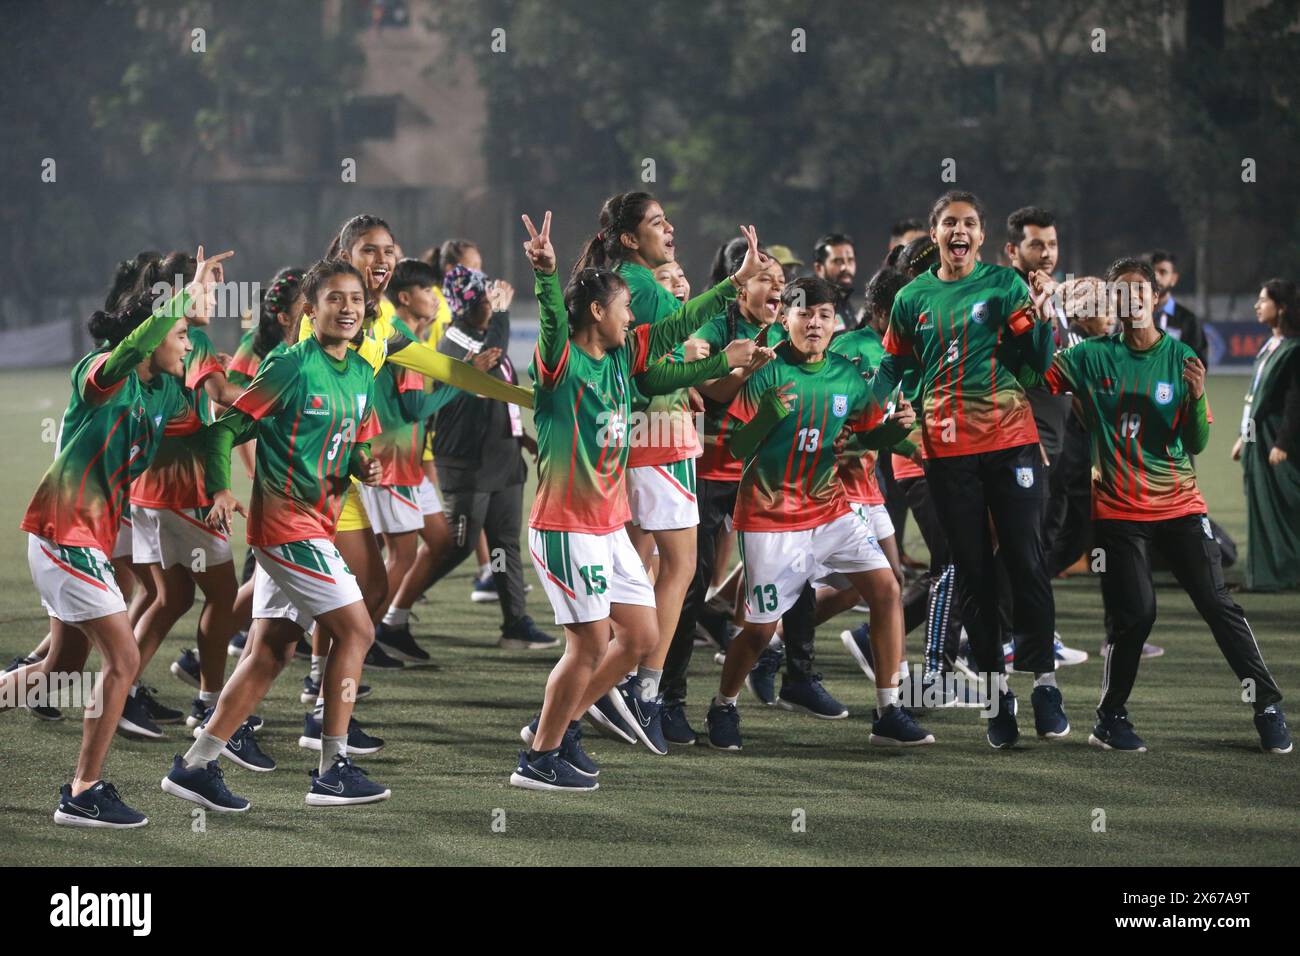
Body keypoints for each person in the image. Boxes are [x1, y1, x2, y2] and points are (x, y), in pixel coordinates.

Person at [510, 210, 765, 791]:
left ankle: (564, 723)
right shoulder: (558, 364)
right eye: (626, 307)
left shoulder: (623, 357)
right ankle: (539, 757)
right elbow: (553, 321)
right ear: (598, 312)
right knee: (589, 644)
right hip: (565, 527)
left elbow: (679, 326)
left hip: (607, 523)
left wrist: (732, 284)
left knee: (641, 637)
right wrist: (546, 275)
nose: (634, 315)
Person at [1022, 257, 1291, 754]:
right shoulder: (1090, 357)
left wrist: (1195, 397)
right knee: (1137, 615)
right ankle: (1110, 718)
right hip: (1119, 512)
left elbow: (1196, 440)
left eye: (1139, 291)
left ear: (1154, 298)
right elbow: (1033, 375)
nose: (1132, 301)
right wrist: (1042, 320)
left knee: (1217, 603)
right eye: (1120, 293)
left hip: (1180, 505)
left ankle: (1267, 705)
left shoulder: (1181, 357)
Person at [3, 246, 230, 827]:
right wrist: (185, 292)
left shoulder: (161, 395)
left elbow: (212, 429)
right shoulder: (101, 374)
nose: (187, 342)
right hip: (63, 534)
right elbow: (133, 346)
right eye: (178, 333)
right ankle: (82, 792)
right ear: (151, 334)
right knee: (123, 659)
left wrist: (276, 398)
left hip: (85, 544)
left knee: (59, 669)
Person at [163, 256, 394, 811]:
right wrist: (220, 490)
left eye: (356, 300)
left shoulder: (362, 371)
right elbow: (223, 430)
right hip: (286, 526)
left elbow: (357, 439)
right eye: (335, 299)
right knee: (358, 631)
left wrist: (363, 462)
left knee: (269, 652)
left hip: (317, 523)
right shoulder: (291, 366)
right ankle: (332, 766)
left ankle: (195, 765)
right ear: (310, 311)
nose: (348, 308)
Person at [872, 190, 1067, 749]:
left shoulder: (1005, 286)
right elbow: (894, 363)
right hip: (947, 454)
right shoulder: (913, 297)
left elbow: (1036, 365)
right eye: (951, 223)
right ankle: (997, 696)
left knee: (1028, 563)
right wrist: (869, 410)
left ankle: (1044, 685)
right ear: (934, 234)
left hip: (1011, 446)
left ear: (982, 238)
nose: (961, 231)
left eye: (971, 224)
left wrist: (1043, 316)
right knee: (974, 575)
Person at [705, 276, 932, 751]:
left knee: (887, 586)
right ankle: (723, 705)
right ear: (785, 319)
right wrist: (767, 415)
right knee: (760, 630)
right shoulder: (766, 372)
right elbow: (737, 448)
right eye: (804, 313)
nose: (814, 322)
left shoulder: (846, 376)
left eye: (824, 315)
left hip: (830, 509)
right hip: (770, 517)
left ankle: (888, 710)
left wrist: (895, 431)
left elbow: (868, 436)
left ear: (835, 323)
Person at [378, 260, 554, 652]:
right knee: (455, 545)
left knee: (503, 544)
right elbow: (490, 357)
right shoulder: (458, 342)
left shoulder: (480, 335)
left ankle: (515, 622)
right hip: (467, 464)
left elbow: (496, 391)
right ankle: (392, 618)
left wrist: (520, 434)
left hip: (503, 459)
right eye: (485, 299)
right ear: (466, 304)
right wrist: (504, 314)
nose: (492, 304)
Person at [1232, 278, 1300, 591]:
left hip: (1275, 439)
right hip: (1257, 438)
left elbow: (1294, 401)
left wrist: (1283, 443)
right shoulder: (1270, 345)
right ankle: (1264, 575)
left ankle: (1286, 571)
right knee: (1260, 506)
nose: (1257, 306)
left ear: (1282, 307)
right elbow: (1254, 399)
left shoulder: (1294, 348)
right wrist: (1242, 438)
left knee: (1285, 507)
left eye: (1264, 300)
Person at [1148, 250, 1209, 365]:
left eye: (1163, 272)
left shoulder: (1189, 321)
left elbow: (1199, 363)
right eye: (1152, 272)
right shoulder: (1135, 317)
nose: (1156, 277)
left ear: (1174, 279)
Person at [812, 233, 859, 332]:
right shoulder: (811, 305)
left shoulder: (843, 299)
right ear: (819, 268)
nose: (845, 267)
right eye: (838, 262)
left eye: (850, 260)